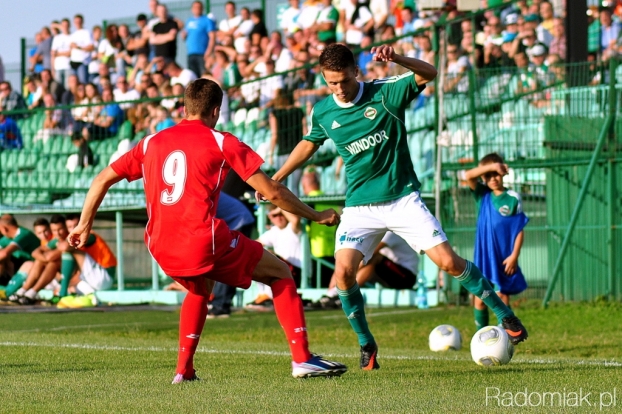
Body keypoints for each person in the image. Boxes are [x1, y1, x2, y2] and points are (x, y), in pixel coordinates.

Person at [67, 78, 347, 382]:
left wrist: (84, 224)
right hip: (201, 239)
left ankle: (183, 371)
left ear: (185, 107)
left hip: (159, 245)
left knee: (200, 287)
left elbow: (100, 179)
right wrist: (316, 215)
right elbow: (274, 193)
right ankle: (302, 359)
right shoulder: (221, 141)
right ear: (216, 110)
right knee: (279, 272)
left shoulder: (150, 142)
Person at [269, 43, 529, 371]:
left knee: (448, 262)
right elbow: (311, 141)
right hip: (360, 206)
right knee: (344, 273)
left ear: (357, 72)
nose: (339, 89)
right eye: (331, 82)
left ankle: (507, 316)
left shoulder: (386, 92)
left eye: (344, 81)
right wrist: (278, 176)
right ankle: (366, 344)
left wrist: (398, 60)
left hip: (402, 198)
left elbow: (430, 74)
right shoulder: (323, 110)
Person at [464, 153, 529, 330]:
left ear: (503, 174)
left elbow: (519, 229)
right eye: (488, 175)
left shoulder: (513, 198)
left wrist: (514, 256)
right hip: (484, 257)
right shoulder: (482, 195)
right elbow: (468, 176)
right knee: (480, 298)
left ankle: (507, 337)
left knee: (502, 297)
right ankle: (481, 337)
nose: (492, 178)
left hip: (503, 258)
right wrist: (492, 167)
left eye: (496, 174)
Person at [207, 192, 256, 318]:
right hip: (235, 221)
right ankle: (218, 302)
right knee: (223, 264)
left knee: (228, 265)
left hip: (240, 222)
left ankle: (221, 305)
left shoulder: (202, 194)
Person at [183, 1, 216, 77]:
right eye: (195, 7)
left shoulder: (207, 20)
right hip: (191, 53)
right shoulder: (189, 21)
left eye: (199, 7)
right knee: (193, 76)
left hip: (202, 53)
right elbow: (186, 35)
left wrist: (209, 51)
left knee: (203, 75)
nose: (197, 9)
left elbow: (212, 37)